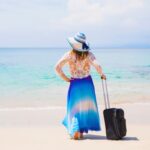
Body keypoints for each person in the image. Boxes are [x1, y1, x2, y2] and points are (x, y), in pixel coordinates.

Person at [55, 32, 106, 140]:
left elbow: (57, 67)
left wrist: (66, 78)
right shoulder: (89, 54)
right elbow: (98, 65)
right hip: (87, 83)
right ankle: (81, 131)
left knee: (74, 108)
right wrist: (102, 74)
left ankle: (76, 131)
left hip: (75, 83)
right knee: (85, 107)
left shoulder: (69, 55)